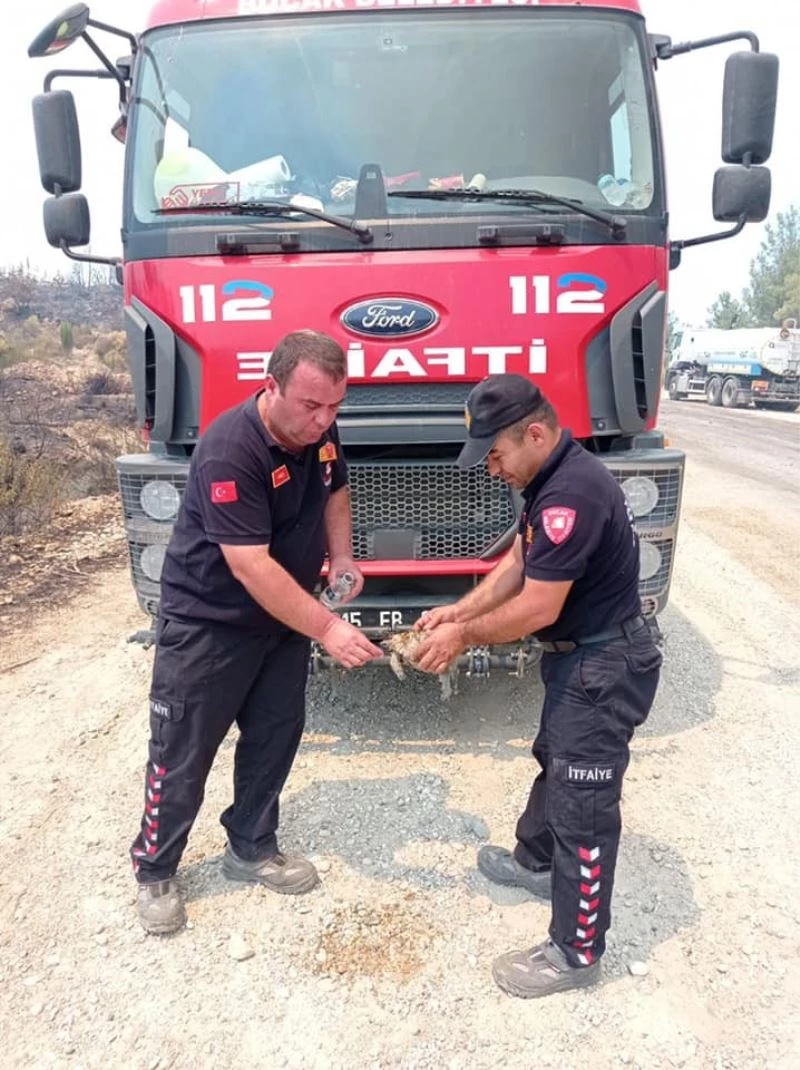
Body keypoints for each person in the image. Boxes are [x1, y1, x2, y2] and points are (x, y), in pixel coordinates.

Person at [415, 374, 662, 998]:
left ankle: (576, 952)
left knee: (584, 805)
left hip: (604, 664)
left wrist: (462, 638)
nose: (491, 468)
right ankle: (537, 861)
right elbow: (521, 562)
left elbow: (537, 606)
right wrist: (458, 612)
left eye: (496, 454)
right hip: (580, 660)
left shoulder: (571, 493)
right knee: (557, 759)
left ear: (534, 433)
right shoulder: (550, 479)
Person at [131, 330, 382, 935]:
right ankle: (156, 868)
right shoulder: (230, 449)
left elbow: (336, 489)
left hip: (280, 621)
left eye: (335, 407)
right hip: (208, 624)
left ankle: (250, 845)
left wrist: (342, 557)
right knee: (183, 749)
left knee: (274, 736)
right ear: (272, 386)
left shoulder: (320, 433)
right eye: (311, 405)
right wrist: (328, 627)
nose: (324, 420)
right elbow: (250, 566)